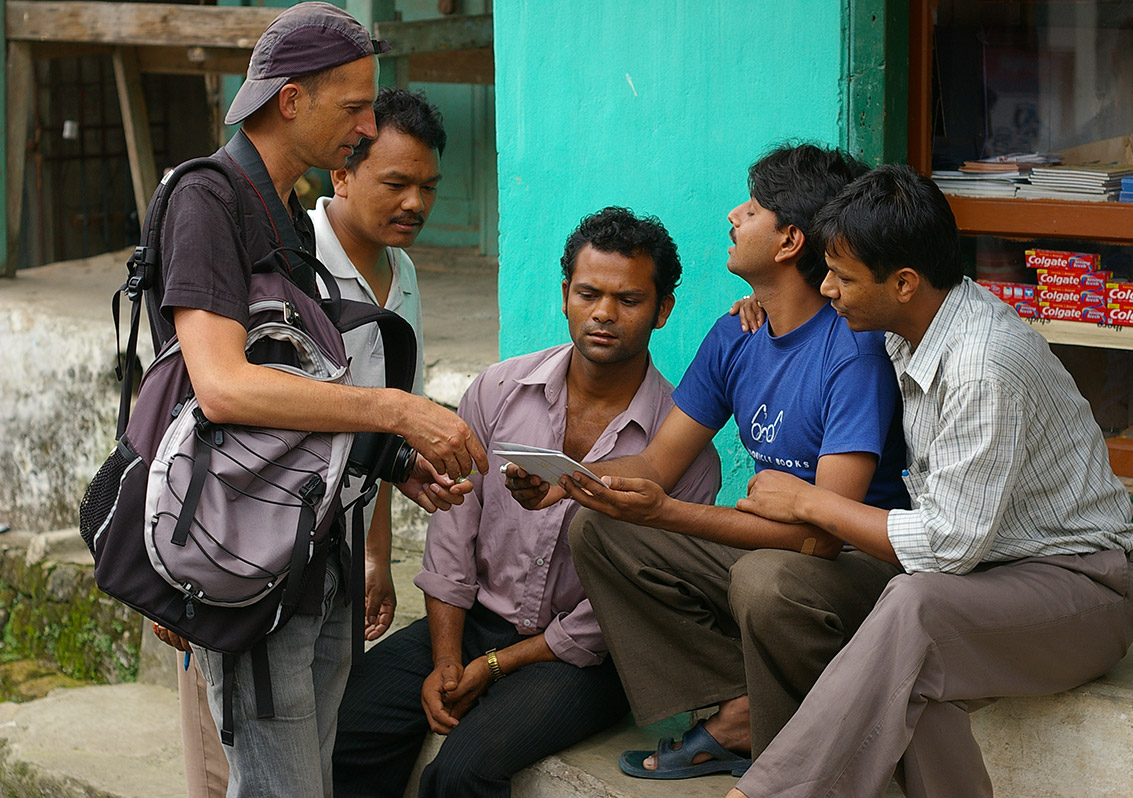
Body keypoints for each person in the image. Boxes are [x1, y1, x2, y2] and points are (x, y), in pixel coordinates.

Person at [146, 5, 487, 797]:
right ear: (291, 100)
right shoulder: (209, 198)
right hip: (244, 550)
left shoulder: (282, 213)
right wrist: (395, 412)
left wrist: (389, 462)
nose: (369, 127)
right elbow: (223, 386)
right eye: (355, 107)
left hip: (312, 545)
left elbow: (296, 401)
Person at [726, 165, 1133, 798]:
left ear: (902, 282)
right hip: (985, 581)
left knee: (913, 607)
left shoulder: (982, 365)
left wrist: (809, 500)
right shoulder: (916, 321)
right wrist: (760, 298)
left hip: (1081, 589)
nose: (827, 290)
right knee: (912, 681)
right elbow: (810, 310)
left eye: (841, 277)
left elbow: (949, 547)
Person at [504, 143, 909, 779]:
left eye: (752, 208)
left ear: (788, 242)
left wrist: (669, 515)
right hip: (775, 548)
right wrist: (567, 480)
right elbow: (658, 463)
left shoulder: (851, 351)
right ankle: (741, 702)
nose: (733, 214)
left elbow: (820, 537)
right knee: (603, 530)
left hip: (855, 567)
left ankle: (778, 736)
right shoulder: (736, 334)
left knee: (767, 580)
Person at [331, 206, 722, 798]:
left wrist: (495, 667)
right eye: (588, 293)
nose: (604, 314)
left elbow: (632, 603)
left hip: (585, 658)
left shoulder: (682, 449)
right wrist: (446, 657)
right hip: (473, 625)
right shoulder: (498, 390)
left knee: (464, 772)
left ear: (663, 309)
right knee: (347, 726)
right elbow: (451, 533)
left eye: (629, 299)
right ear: (565, 295)